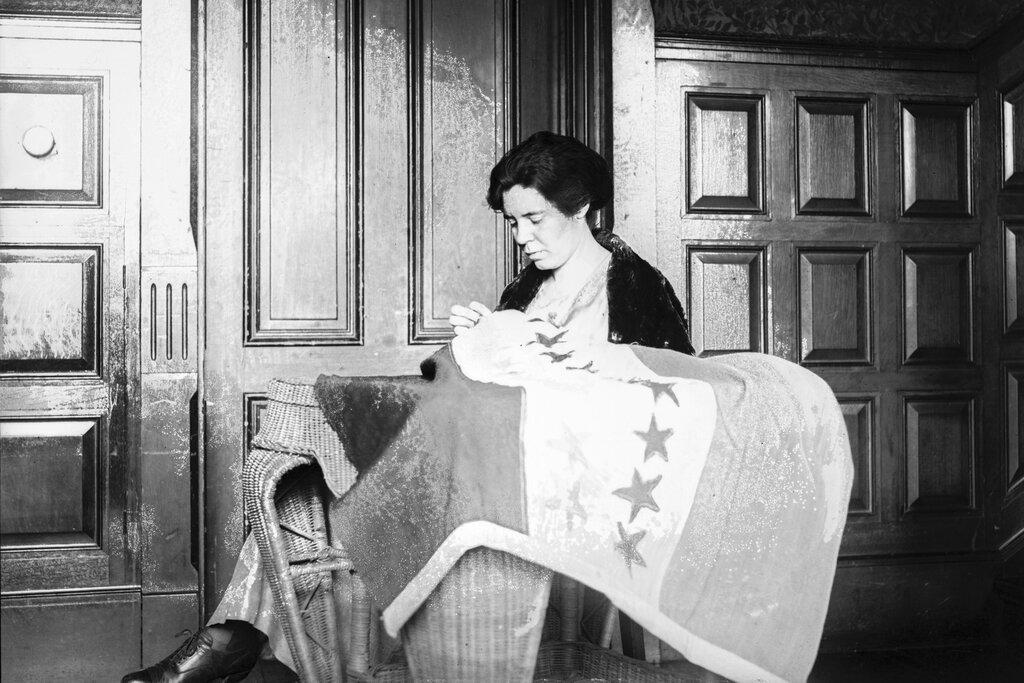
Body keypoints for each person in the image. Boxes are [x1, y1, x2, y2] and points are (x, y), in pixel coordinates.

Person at [123, 131, 694, 682]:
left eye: (534, 220)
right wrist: (474, 345)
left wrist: (548, 358)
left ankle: (234, 642)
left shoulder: (634, 286)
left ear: (583, 207)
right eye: (513, 222)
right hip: (494, 468)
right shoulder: (526, 290)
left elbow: (670, 404)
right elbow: (473, 395)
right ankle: (241, 639)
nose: (522, 236)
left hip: (578, 486)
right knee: (315, 501)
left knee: (365, 511)